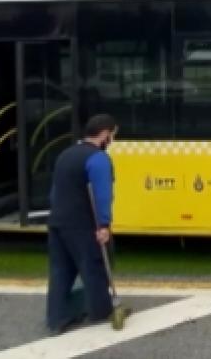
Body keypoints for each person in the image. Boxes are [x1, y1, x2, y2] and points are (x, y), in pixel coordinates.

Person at [45, 113, 122, 335]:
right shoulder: (98, 159)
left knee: (61, 271)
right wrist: (104, 225)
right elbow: (102, 195)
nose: (112, 141)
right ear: (105, 134)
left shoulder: (65, 155)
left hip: (58, 221)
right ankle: (100, 311)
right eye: (113, 136)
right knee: (94, 266)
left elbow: (54, 192)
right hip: (83, 224)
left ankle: (56, 319)